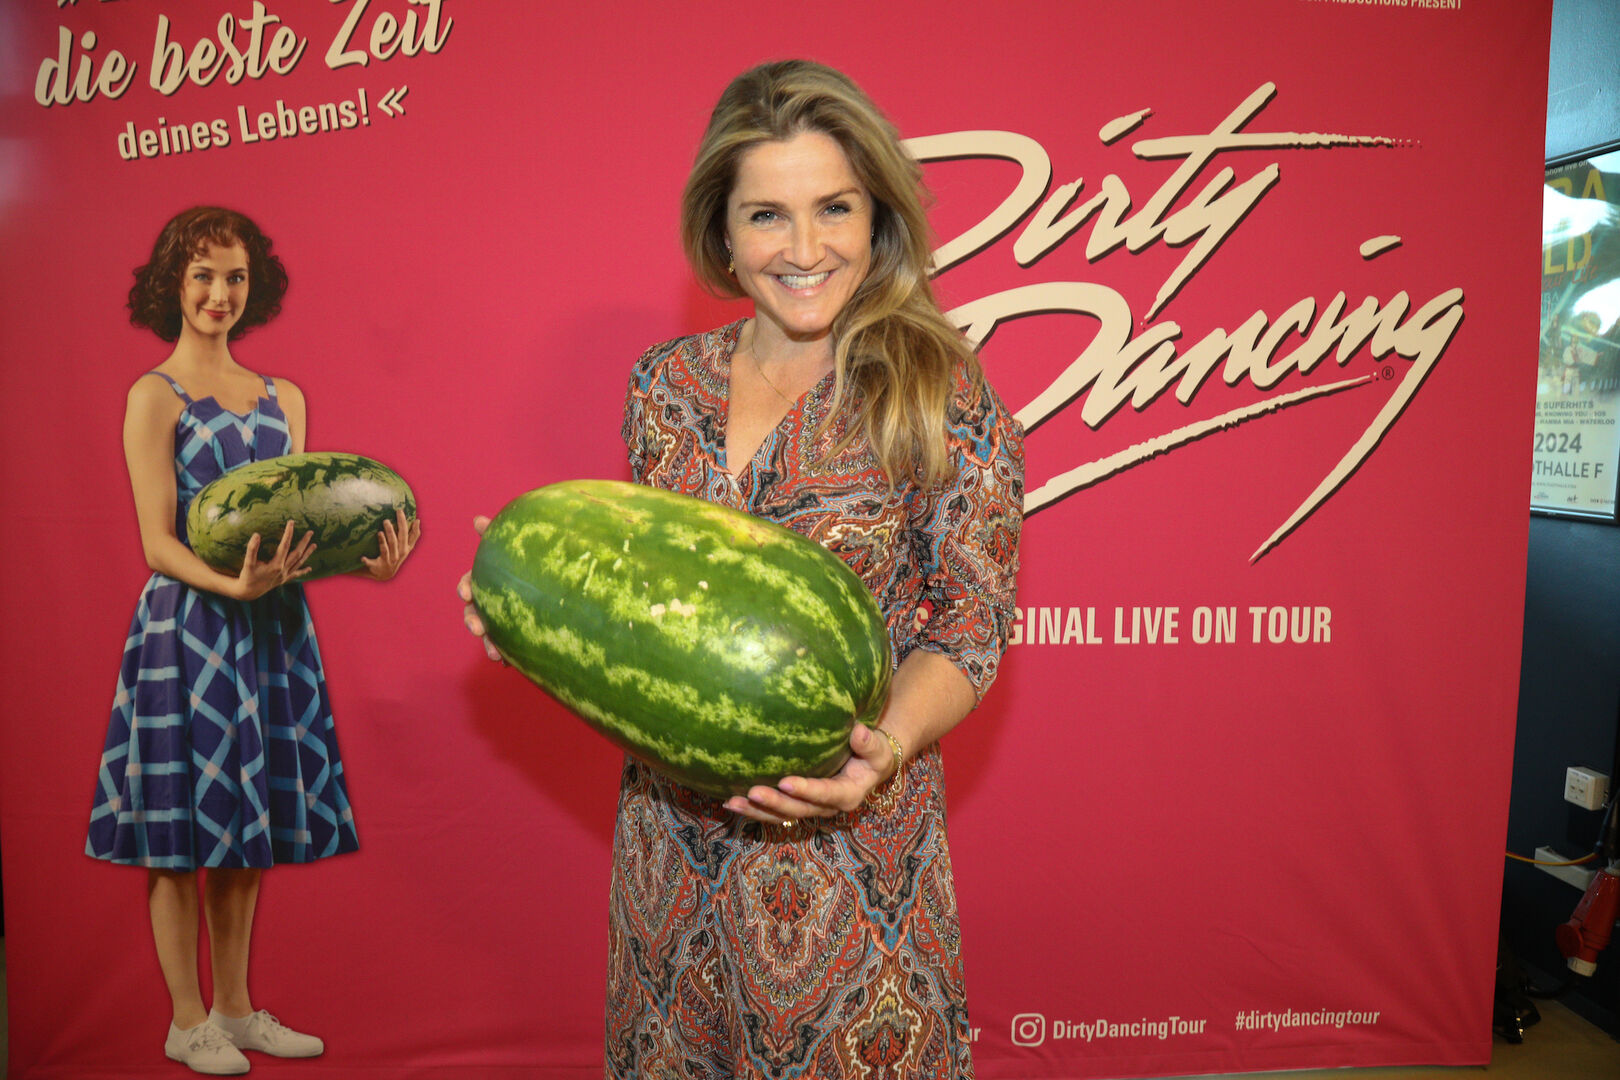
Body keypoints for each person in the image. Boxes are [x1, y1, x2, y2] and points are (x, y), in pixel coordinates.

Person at [460, 60, 1022, 1077]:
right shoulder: (663, 389)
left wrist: (881, 749)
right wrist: (532, 616)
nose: (804, 250)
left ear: (877, 217)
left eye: (834, 209)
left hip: (851, 856)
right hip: (667, 861)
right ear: (722, 232)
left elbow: (971, 622)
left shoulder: (937, 390)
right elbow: (638, 615)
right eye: (767, 215)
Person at [86, 206, 418, 1076]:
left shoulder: (285, 400)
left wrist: (366, 565)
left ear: (252, 284)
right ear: (174, 283)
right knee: (177, 833)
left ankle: (233, 1010)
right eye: (202, 276)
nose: (218, 293)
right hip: (188, 627)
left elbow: (299, 533)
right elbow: (157, 540)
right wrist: (230, 585)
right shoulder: (152, 396)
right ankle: (184, 1019)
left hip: (270, 626)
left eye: (234, 277)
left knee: (245, 827)